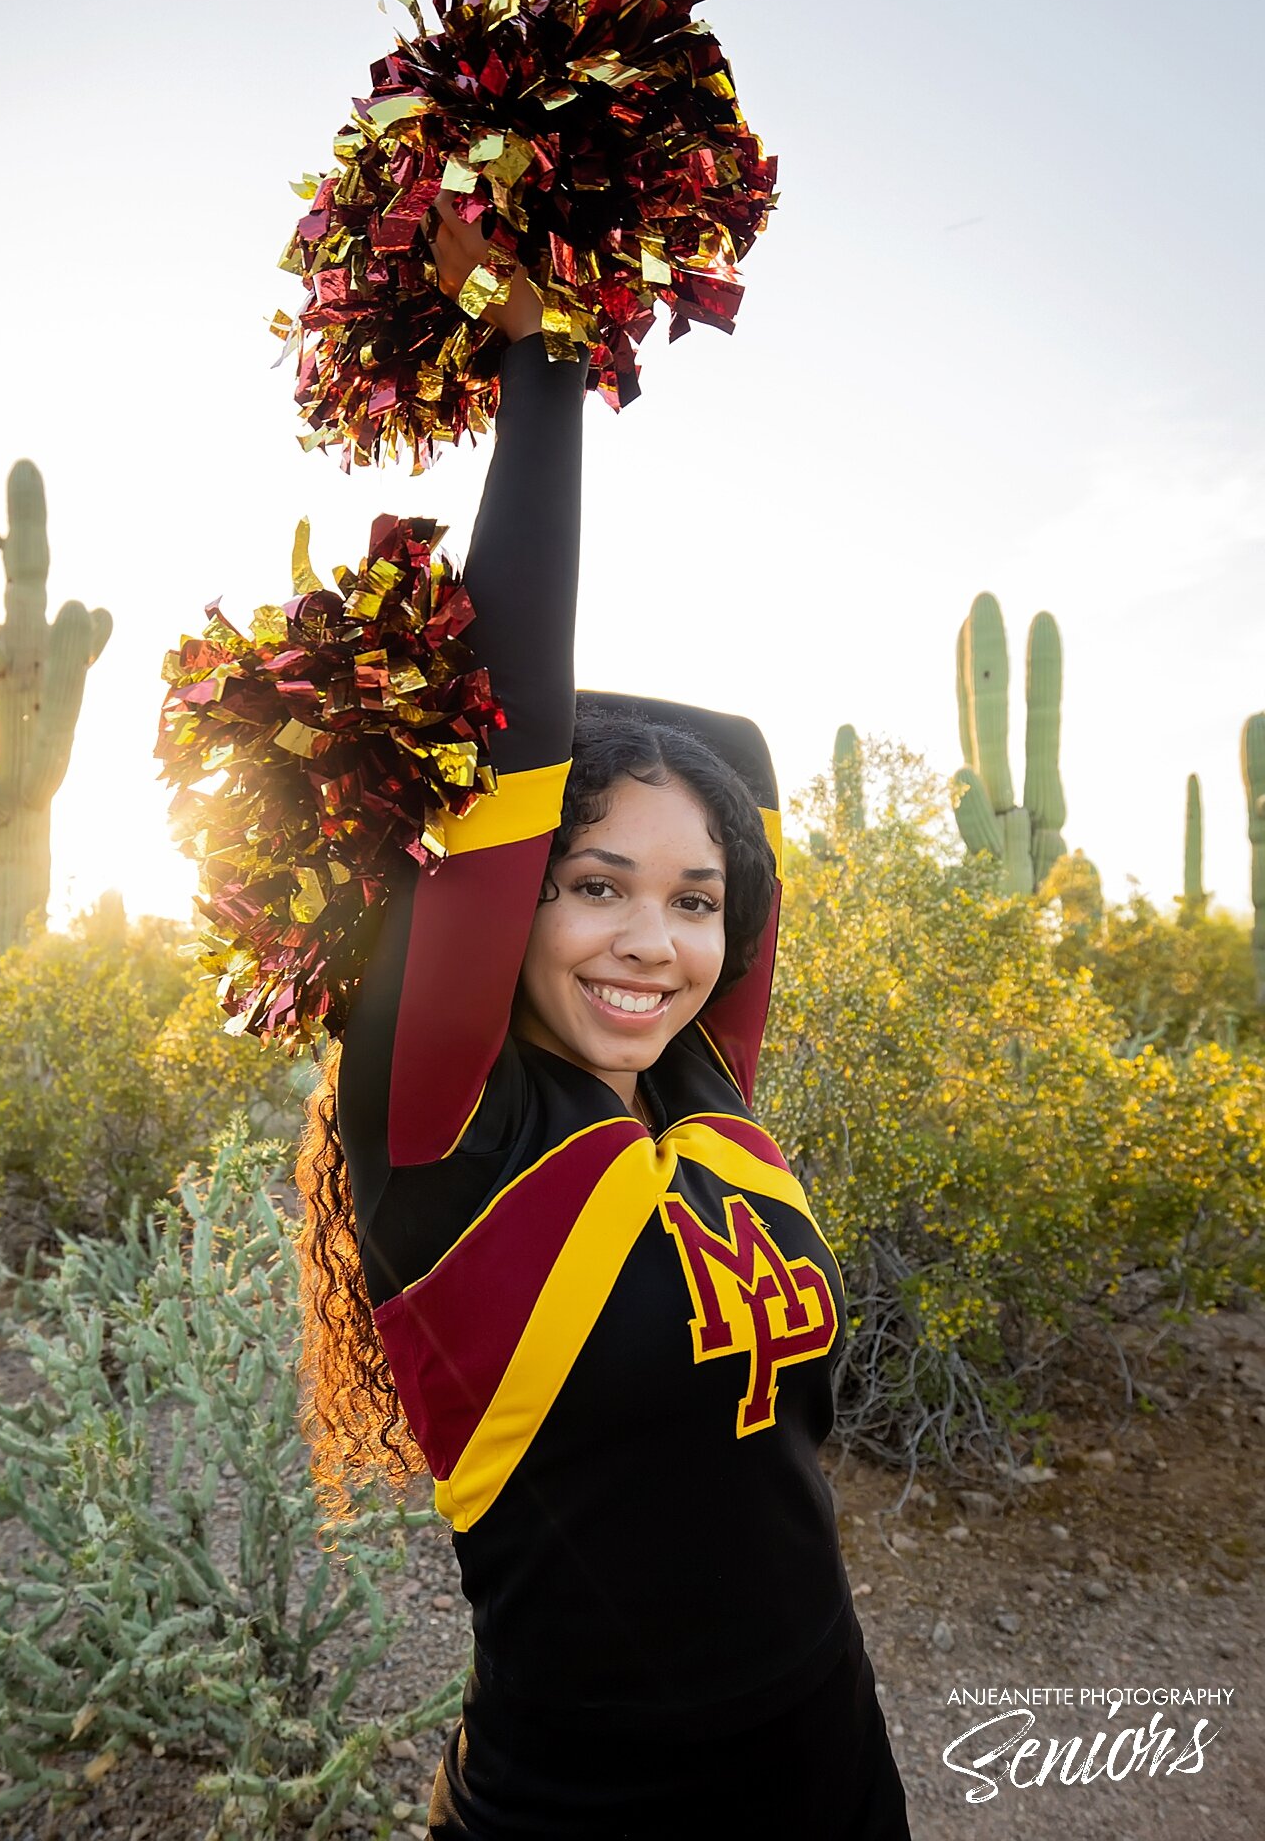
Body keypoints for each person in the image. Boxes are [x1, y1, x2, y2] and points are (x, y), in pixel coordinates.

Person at [294, 196, 912, 1838]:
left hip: (838, 1769)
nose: (654, 945)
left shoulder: (701, 1092)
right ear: (505, 907)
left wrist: (661, 789)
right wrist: (543, 350)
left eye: (694, 901)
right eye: (591, 887)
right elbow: (500, 748)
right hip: (584, 1813)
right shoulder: (444, 1131)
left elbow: (746, 775)